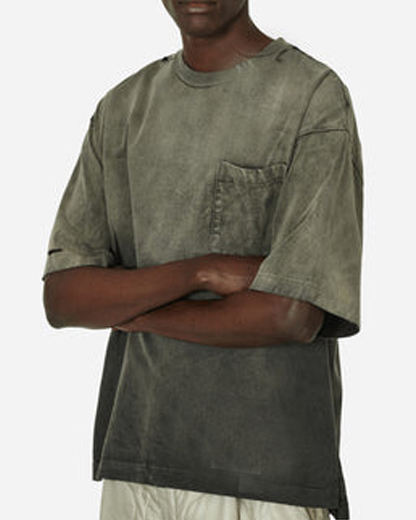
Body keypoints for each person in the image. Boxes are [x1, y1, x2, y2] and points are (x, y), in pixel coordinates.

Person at [41, 1, 363, 519]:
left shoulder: (310, 96)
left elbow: (292, 314)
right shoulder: (122, 108)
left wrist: (133, 311)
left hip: (263, 477)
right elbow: (63, 298)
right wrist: (203, 269)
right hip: (135, 463)